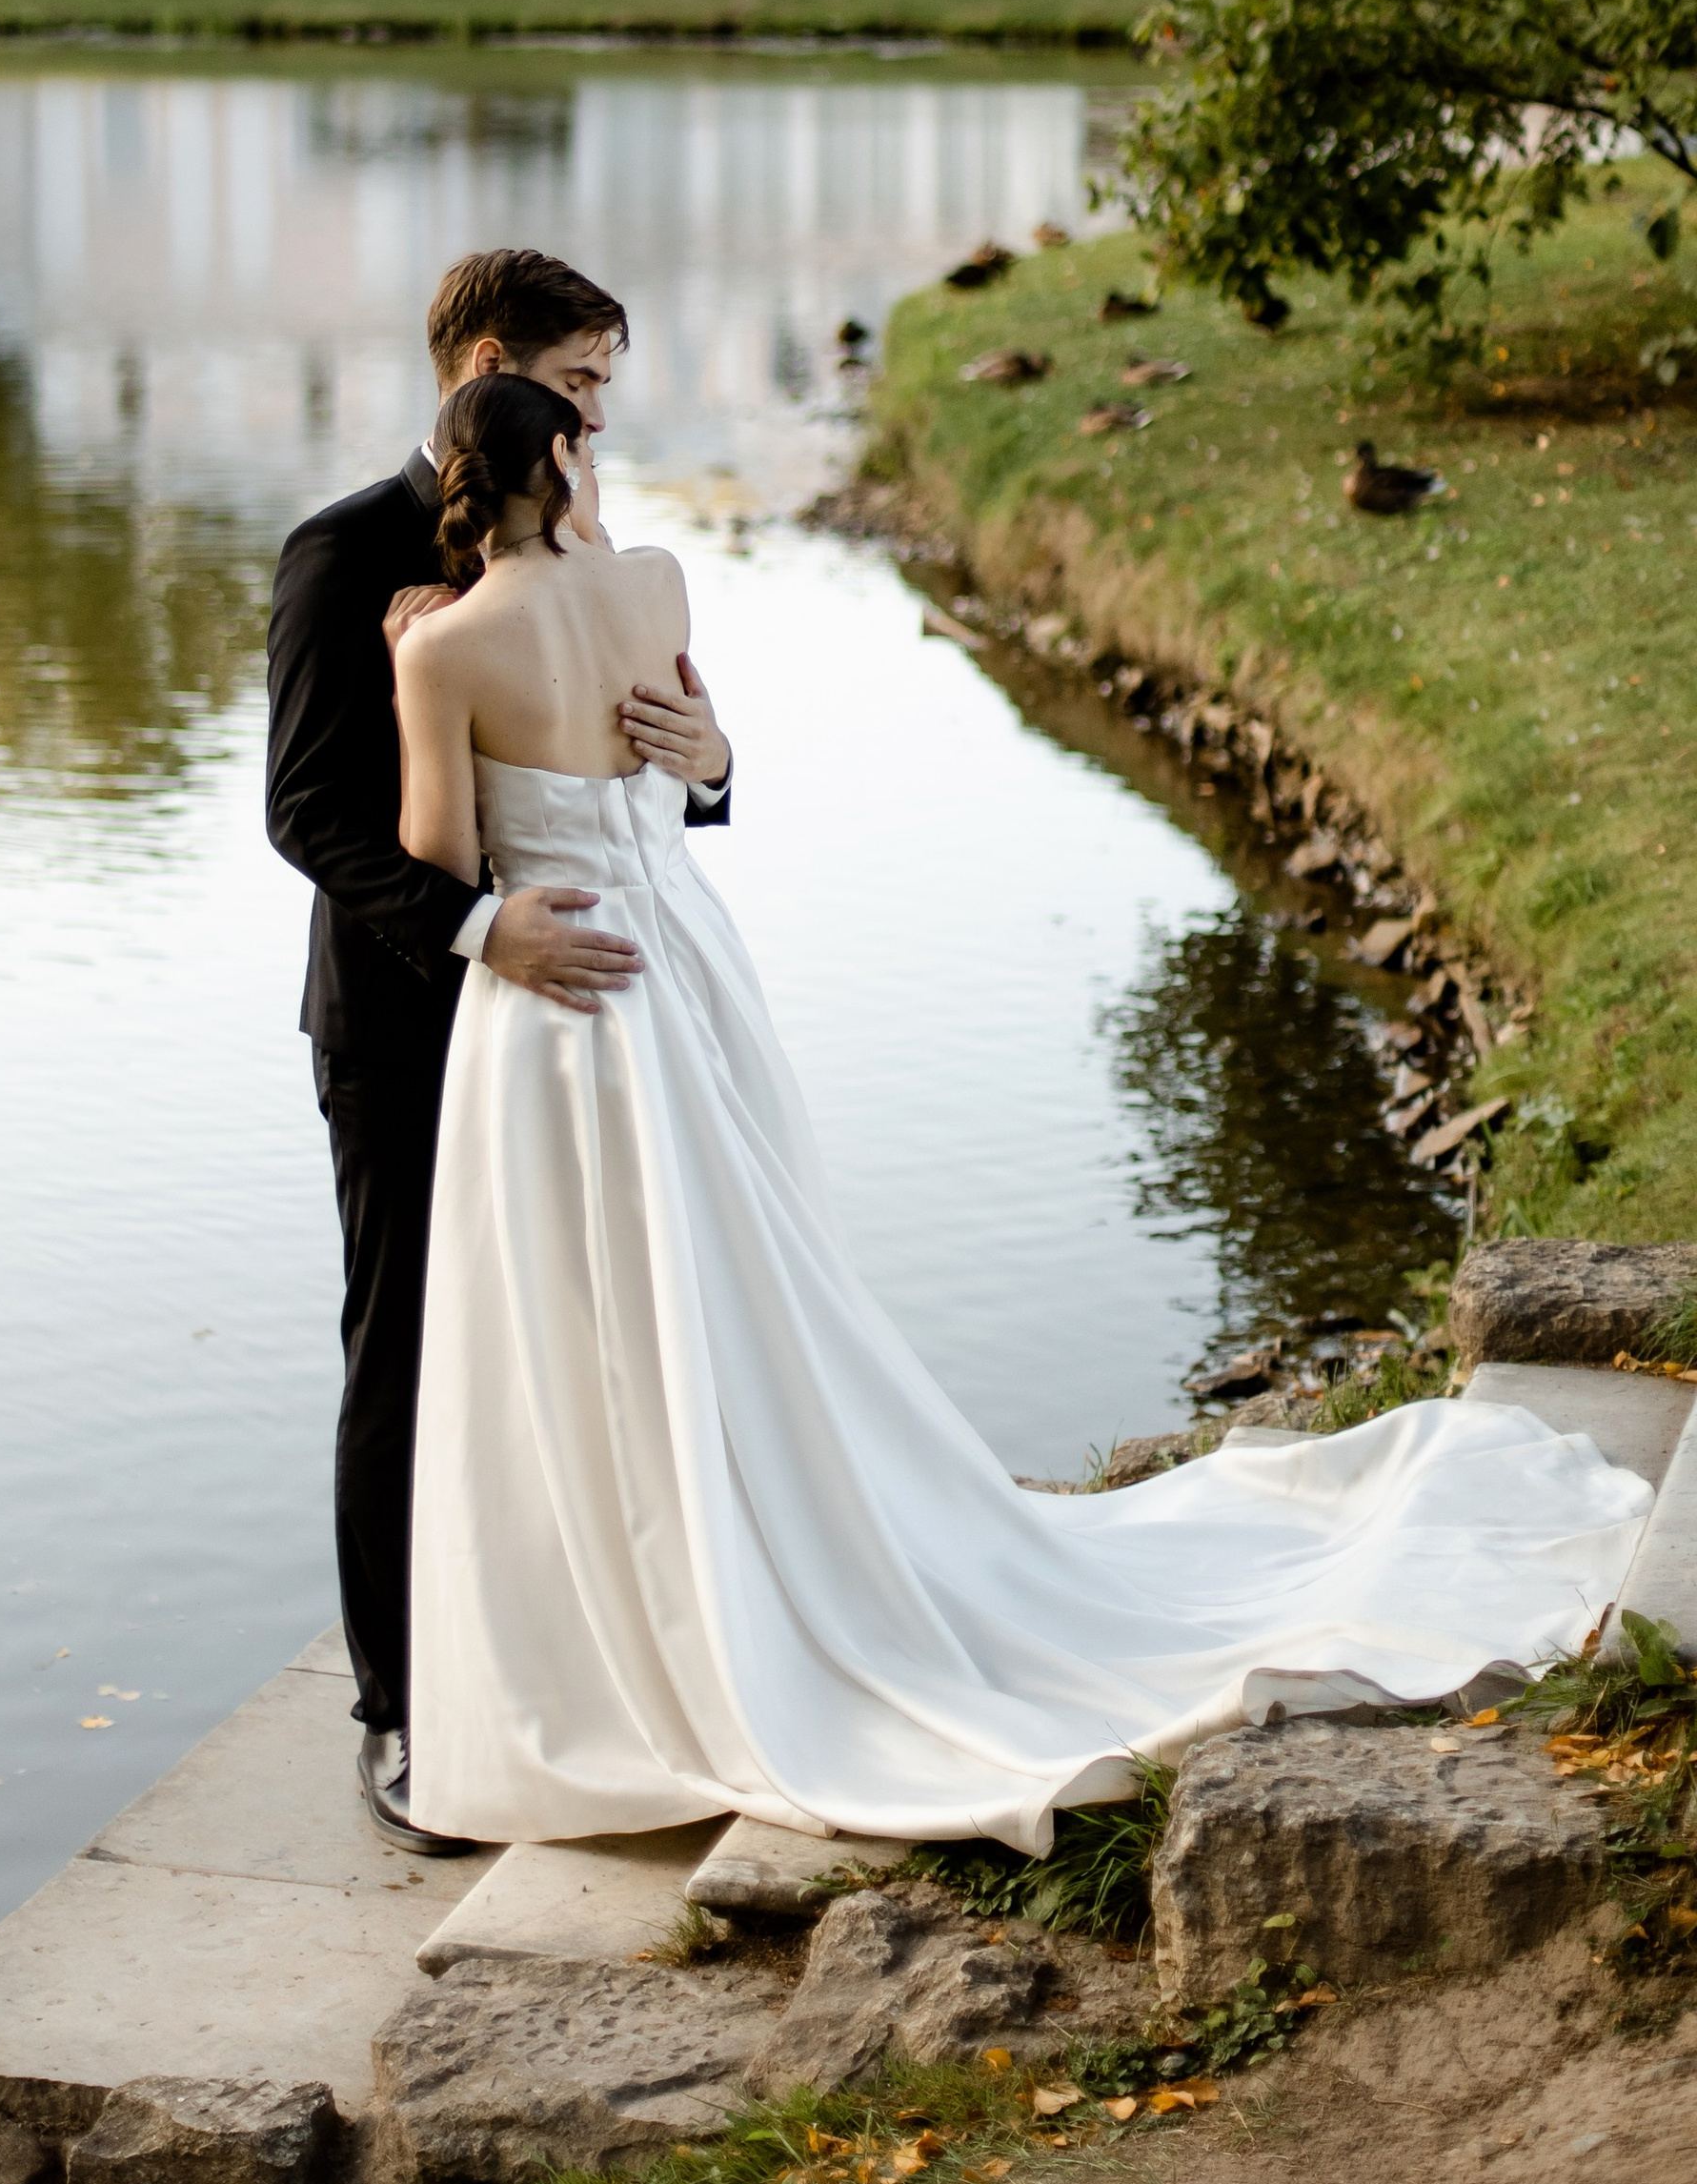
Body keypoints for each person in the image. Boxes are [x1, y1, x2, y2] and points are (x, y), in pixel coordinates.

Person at [391, 373, 1651, 1851]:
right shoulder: (655, 578)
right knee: (736, 1278)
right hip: (681, 961)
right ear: (562, 455)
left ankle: (630, 1635)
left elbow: (440, 854)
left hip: (553, 1003)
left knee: (577, 1313)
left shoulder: (438, 651)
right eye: (586, 424)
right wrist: (675, 717)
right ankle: (752, 1552)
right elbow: (679, 767)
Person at [265, 252, 734, 1851]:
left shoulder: (587, 541)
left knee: (600, 1339)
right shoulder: (346, 556)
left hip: (589, 1022)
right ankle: (401, 1711)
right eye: (581, 384)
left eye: (597, 389)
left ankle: (587, 1657)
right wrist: (482, 933)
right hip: (409, 1029)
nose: (595, 421)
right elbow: (310, 814)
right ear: (489, 365)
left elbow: (658, 771)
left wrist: (715, 758)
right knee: (404, 1354)